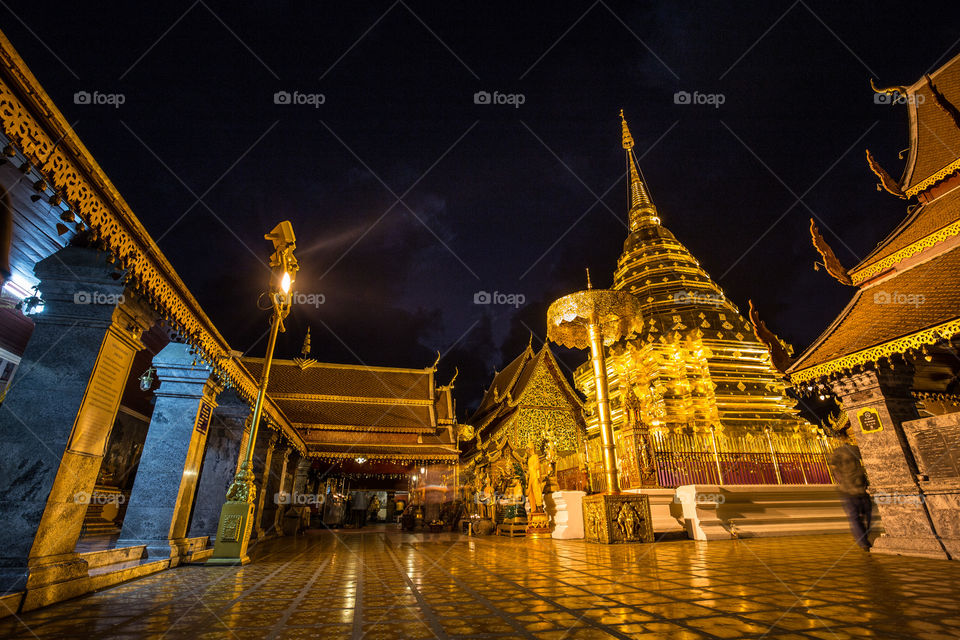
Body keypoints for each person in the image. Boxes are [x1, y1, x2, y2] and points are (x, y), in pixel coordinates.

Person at [828, 428, 872, 550]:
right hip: (857, 491)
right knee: (863, 516)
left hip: (850, 491)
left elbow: (835, 472)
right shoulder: (855, 454)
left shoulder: (838, 456)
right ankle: (863, 539)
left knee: (856, 517)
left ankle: (862, 539)